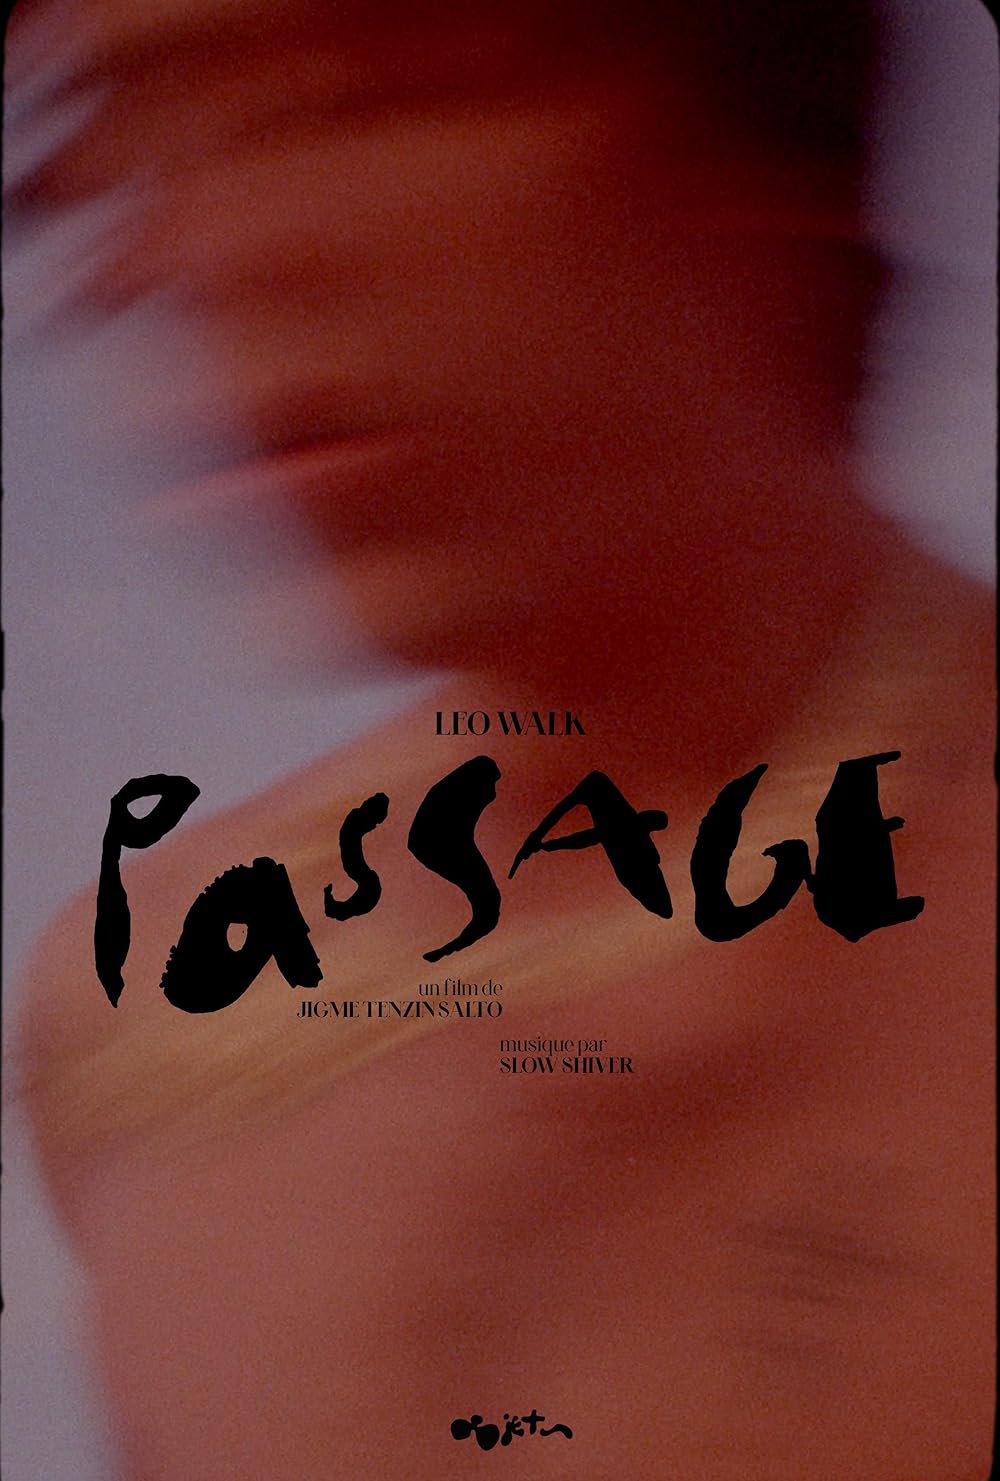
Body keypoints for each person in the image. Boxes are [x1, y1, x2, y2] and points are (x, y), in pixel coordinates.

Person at [9, 2, 994, 1476]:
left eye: (350, 96)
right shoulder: (136, 1014)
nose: (201, 258)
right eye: (120, 148)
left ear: (761, 136)